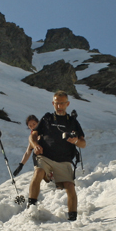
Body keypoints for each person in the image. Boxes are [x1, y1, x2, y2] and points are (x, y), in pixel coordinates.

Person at [28, 91, 86, 221]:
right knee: (38, 172)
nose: (59, 106)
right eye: (56, 103)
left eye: (62, 103)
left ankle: (73, 218)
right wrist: (35, 144)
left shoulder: (72, 122)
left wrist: (75, 141)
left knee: (70, 186)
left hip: (64, 159)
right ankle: (30, 207)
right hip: (45, 156)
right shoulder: (47, 118)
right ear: (53, 103)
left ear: (67, 104)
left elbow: (83, 144)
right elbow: (32, 135)